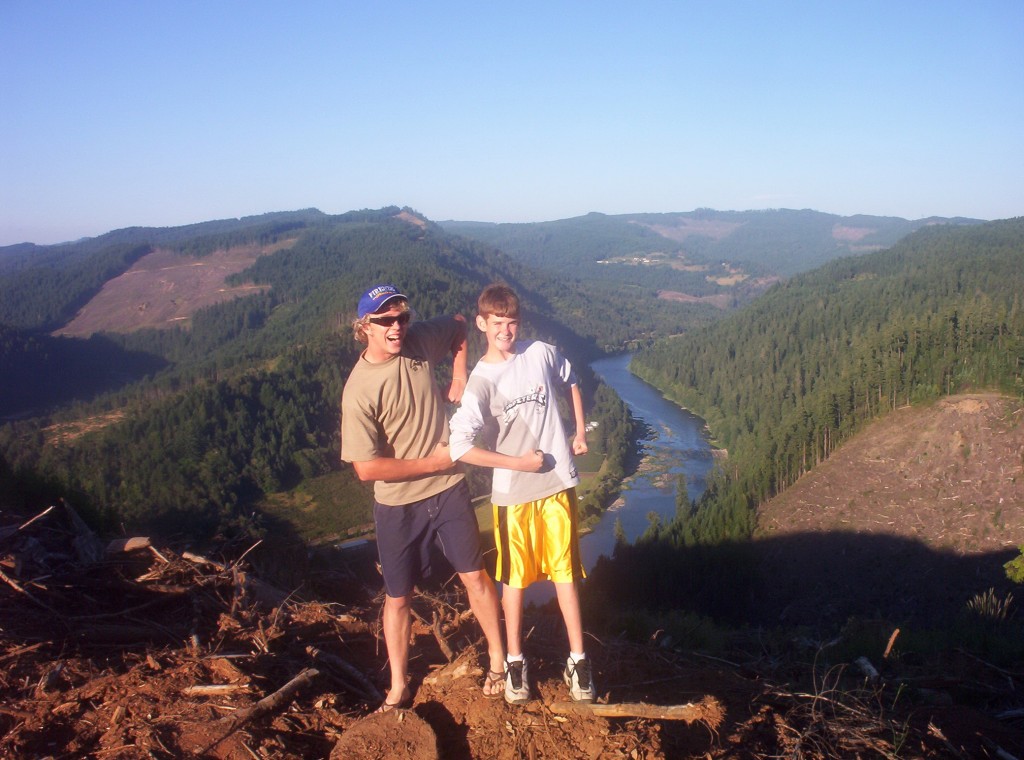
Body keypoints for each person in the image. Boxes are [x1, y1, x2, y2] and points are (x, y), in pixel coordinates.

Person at [340, 284, 507, 711]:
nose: (396, 327)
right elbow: (366, 468)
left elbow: (458, 325)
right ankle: (398, 686)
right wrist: (432, 463)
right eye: (385, 321)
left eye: (402, 318)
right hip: (398, 504)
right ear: (365, 328)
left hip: (448, 490)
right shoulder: (359, 390)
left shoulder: (417, 343)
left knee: (476, 577)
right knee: (398, 597)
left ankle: (498, 661)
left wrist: (458, 372)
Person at [448, 283, 596, 705]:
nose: (506, 331)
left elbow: (572, 381)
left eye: (511, 322)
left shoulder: (541, 353)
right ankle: (515, 661)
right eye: (497, 323)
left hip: (557, 486)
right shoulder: (481, 381)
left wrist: (579, 431)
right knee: (514, 581)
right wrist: (518, 464)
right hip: (513, 495)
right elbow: (460, 445)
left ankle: (579, 661)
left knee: (566, 575)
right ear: (482, 324)